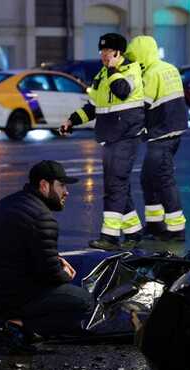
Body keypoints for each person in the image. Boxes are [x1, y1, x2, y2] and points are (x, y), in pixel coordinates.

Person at [0, 160, 93, 352]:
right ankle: (20, 326)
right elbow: (50, 275)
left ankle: (16, 321)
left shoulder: (8, 203)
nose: (66, 192)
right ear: (44, 185)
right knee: (83, 301)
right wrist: (65, 274)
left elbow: (22, 252)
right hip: (9, 296)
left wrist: (55, 260)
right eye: (61, 185)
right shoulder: (42, 217)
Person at [60, 33, 145, 251]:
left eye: (108, 51)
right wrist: (72, 120)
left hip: (126, 136)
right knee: (120, 186)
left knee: (115, 186)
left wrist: (114, 70)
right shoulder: (103, 74)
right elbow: (92, 107)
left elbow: (123, 92)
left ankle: (110, 237)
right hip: (110, 137)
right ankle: (134, 232)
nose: (104, 55)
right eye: (102, 51)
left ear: (118, 52)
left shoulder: (131, 70)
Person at [124, 36, 187, 241]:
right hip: (174, 131)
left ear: (141, 55)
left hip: (161, 134)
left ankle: (176, 229)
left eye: (133, 57)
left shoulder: (150, 74)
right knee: (149, 179)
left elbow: (142, 105)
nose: (132, 61)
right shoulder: (169, 68)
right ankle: (155, 224)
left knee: (163, 180)